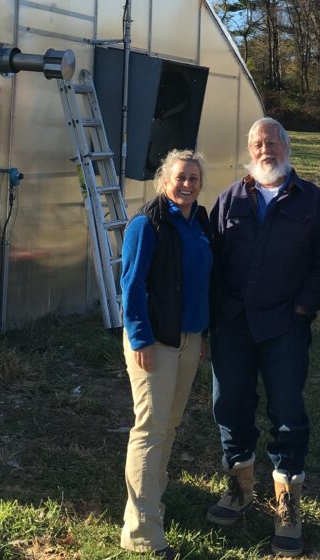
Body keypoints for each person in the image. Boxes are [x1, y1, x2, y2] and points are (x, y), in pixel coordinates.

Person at [206, 117, 320, 557]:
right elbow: (214, 260)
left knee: (287, 411)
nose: (266, 150)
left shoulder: (311, 201)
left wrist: (304, 306)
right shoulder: (229, 199)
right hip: (234, 326)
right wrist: (215, 316)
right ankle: (239, 487)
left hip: (286, 325)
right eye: (258, 144)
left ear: (287, 146)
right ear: (250, 150)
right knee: (229, 404)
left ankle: (287, 505)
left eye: (273, 143)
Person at [119, 149, 214, 558]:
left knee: (169, 425)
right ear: (164, 180)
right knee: (151, 429)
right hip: (155, 339)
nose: (187, 184)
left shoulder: (198, 222)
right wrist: (140, 338)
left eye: (194, 178)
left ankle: (152, 505)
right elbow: (132, 285)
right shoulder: (148, 223)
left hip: (189, 338)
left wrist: (202, 333)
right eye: (180, 177)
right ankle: (142, 535)